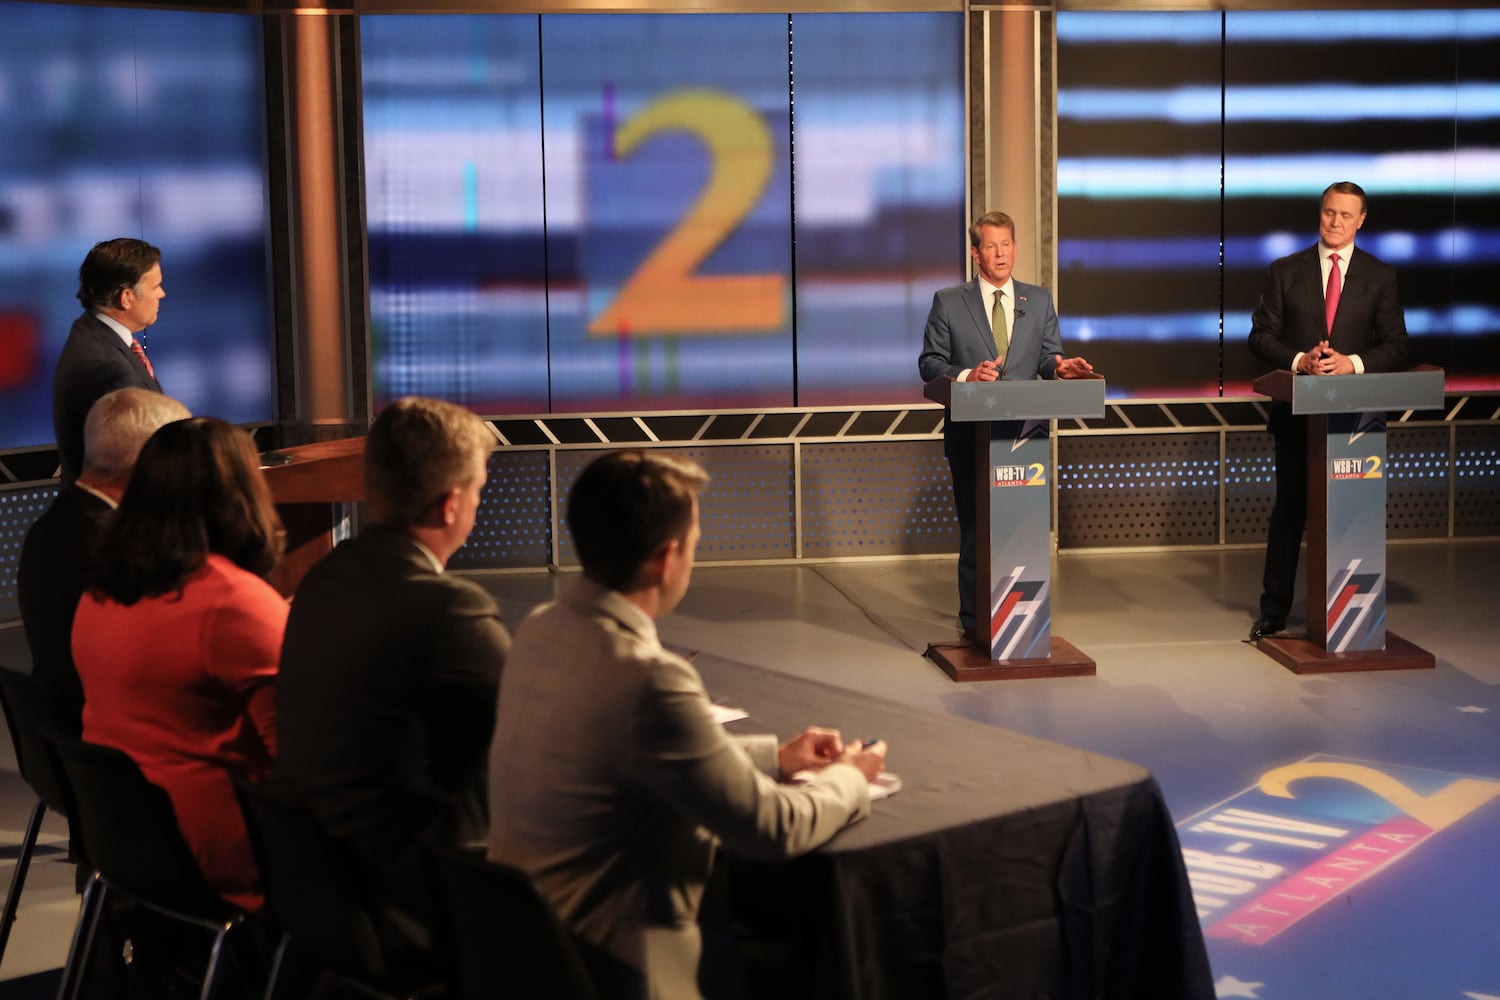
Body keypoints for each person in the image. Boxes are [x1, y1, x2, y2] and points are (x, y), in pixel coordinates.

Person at [487, 450, 886, 999]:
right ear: (667, 557)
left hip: (526, 955)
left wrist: (774, 757)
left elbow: (626, 756)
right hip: (620, 969)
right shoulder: (650, 680)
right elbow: (772, 828)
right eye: (695, 542)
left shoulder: (539, 629)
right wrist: (850, 777)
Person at [274, 396, 509, 962]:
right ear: (452, 504)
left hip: (318, 891)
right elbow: (553, 741)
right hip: (418, 902)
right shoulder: (447, 608)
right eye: (478, 489)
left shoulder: (326, 579)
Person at [72, 417, 287, 911]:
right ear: (241, 493)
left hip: (128, 846)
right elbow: (298, 759)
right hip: (227, 859)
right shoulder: (232, 601)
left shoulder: (100, 589)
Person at [917, 211, 1093, 640]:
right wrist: (967, 377)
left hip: (1024, 435)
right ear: (976, 252)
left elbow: (1049, 359)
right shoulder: (949, 300)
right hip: (970, 435)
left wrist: (1061, 368)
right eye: (991, 246)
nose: (1000, 254)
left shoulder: (1039, 300)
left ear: (1015, 248)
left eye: (1007, 245)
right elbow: (929, 364)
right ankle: (976, 622)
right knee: (978, 528)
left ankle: (1022, 620)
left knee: (1021, 528)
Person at [1247, 181, 1409, 640]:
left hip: (1356, 420)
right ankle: (1274, 611)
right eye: (1328, 213)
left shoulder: (1380, 276)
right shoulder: (1285, 270)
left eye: (1344, 215)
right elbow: (1259, 337)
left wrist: (1350, 364)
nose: (1335, 223)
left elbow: (1397, 344)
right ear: (1319, 215)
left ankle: (1349, 613)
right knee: (1290, 512)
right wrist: (1302, 360)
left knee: (1347, 514)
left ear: (1361, 221)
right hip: (1298, 416)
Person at [18, 388, 191, 739]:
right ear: (148, 463)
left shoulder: (54, 524)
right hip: (112, 743)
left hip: (67, 742)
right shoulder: (113, 549)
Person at [53, 238, 167, 488]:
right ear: (126, 298)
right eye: (156, 286)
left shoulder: (89, 332)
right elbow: (140, 458)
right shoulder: (105, 366)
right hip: (118, 517)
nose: (162, 293)